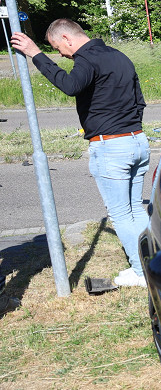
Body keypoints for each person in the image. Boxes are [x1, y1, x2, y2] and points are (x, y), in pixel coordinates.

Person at [11, 20, 150, 287]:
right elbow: (139, 100)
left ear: (66, 37)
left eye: (57, 47)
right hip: (137, 141)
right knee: (135, 209)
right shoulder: (120, 56)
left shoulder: (87, 58)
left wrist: (36, 55)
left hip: (111, 146)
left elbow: (70, 85)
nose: (61, 54)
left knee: (121, 213)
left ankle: (142, 273)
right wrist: (130, 129)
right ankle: (152, 264)